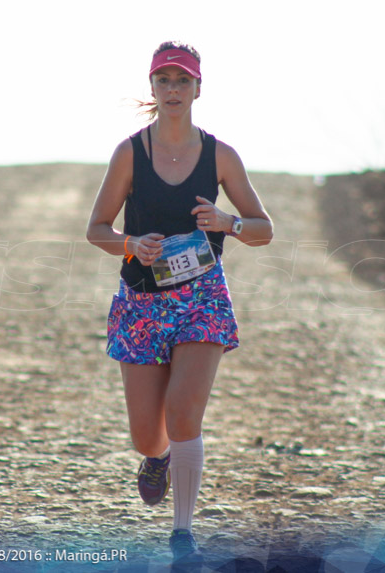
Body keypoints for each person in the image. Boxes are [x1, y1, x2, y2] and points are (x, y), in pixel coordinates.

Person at [86, 41, 272, 566]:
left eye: (182, 81)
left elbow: (264, 229)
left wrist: (228, 222)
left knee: (184, 412)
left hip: (201, 299)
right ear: (152, 87)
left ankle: (183, 533)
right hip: (143, 302)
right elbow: (95, 228)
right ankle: (159, 459)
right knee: (148, 434)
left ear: (197, 89)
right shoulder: (130, 153)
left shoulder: (220, 155)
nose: (173, 90)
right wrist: (129, 243)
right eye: (164, 80)